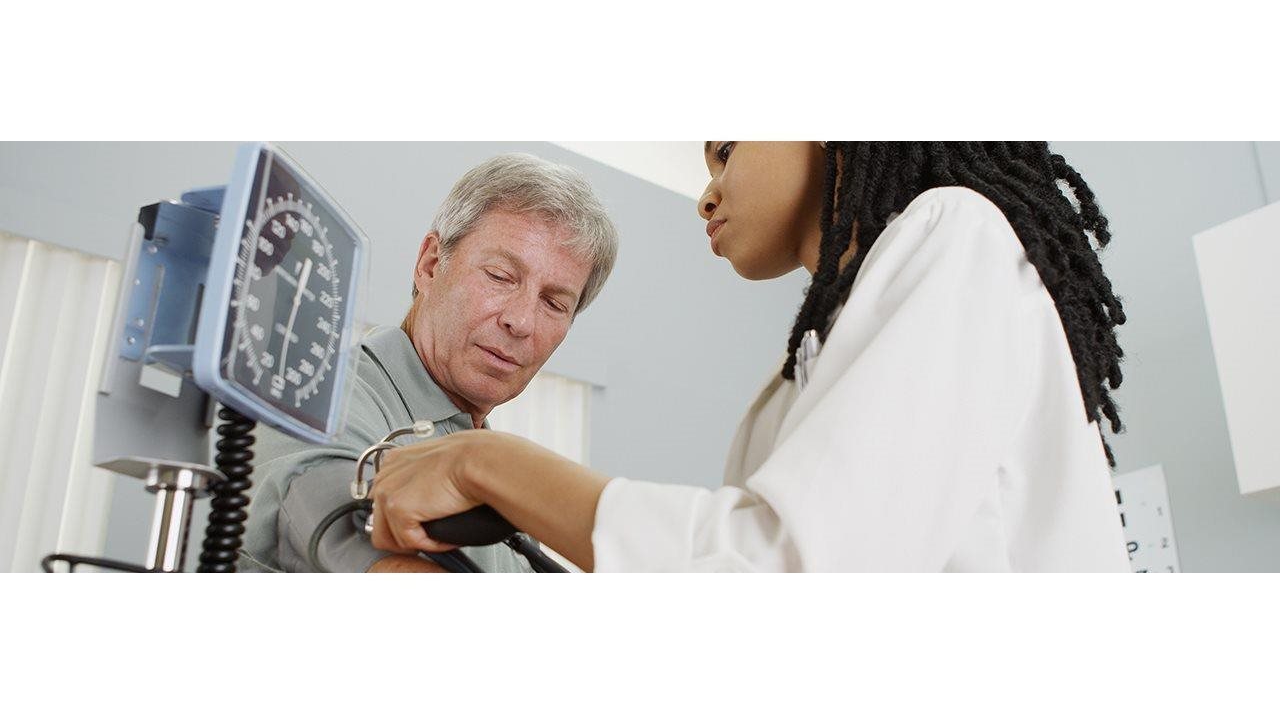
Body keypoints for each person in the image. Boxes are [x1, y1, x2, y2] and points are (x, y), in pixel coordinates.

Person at [367, 141, 1131, 572]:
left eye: (726, 152)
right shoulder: (798, 376)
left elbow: (778, 573)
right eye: (500, 277)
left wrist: (486, 465)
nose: (707, 195)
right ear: (430, 264)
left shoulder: (957, 235)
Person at [237, 152, 618, 572]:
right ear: (431, 265)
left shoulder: (498, 490)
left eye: (554, 303)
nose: (521, 321)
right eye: (500, 276)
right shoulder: (319, 396)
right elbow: (360, 549)